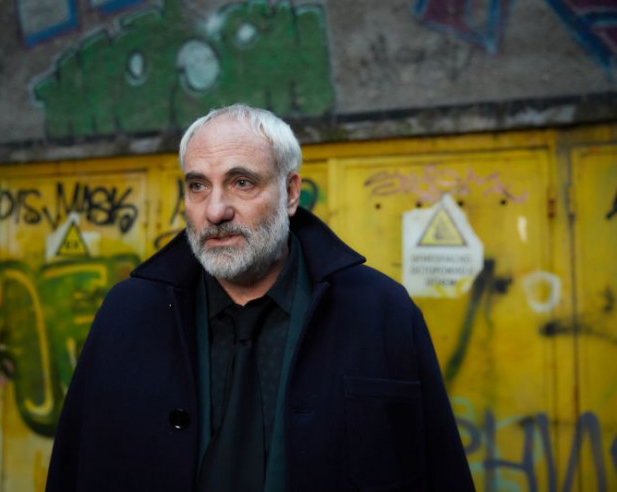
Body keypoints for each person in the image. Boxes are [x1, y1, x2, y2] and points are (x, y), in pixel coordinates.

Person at [46, 104, 474, 491]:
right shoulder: (127, 315)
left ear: (291, 193)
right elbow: (71, 468)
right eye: (198, 186)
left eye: (241, 182)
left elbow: (439, 471)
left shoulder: (381, 312)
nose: (215, 211)